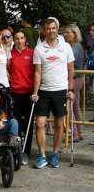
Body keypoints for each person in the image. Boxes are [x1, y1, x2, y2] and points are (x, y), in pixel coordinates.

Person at [31, 18, 75, 169]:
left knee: (58, 124)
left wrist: (70, 89)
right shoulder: (39, 49)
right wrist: (35, 92)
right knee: (40, 124)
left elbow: (71, 70)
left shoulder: (66, 47)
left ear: (57, 29)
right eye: (48, 28)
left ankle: (55, 153)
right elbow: (37, 72)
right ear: (44, 30)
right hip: (43, 91)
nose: (51, 31)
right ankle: (42, 155)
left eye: (53, 28)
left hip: (60, 90)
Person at [8, 30, 34, 166]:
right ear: (14, 40)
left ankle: (26, 152)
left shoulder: (32, 53)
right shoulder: (10, 54)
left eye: (22, 38)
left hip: (29, 93)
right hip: (15, 93)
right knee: (16, 124)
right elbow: (8, 70)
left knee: (28, 125)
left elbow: (37, 72)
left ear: (25, 39)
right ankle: (16, 149)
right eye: (17, 38)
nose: (19, 40)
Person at [63, 24, 85, 143]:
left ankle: (75, 133)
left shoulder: (74, 47)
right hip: (78, 78)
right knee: (76, 106)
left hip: (74, 79)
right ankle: (80, 132)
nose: (66, 34)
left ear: (74, 34)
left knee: (69, 107)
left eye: (68, 32)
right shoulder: (77, 46)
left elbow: (69, 64)